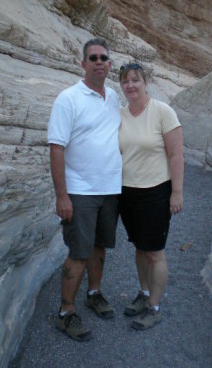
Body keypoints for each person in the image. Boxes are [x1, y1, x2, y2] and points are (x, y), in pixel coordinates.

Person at [47, 38, 122, 341]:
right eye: (93, 58)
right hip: (80, 191)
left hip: (109, 190)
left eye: (104, 58)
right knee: (78, 252)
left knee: (99, 246)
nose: (99, 62)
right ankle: (66, 312)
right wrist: (62, 195)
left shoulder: (114, 97)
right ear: (83, 63)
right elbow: (56, 147)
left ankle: (94, 293)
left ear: (109, 64)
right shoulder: (69, 98)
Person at [118, 62, 184, 330]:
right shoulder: (120, 114)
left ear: (146, 82)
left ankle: (154, 306)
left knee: (155, 252)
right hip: (127, 191)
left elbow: (176, 154)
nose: (130, 85)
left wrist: (177, 192)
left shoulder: (162, 112)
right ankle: (144, 294)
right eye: (125, 81)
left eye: (135, 80)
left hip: (156, 191)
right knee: (139, 246)